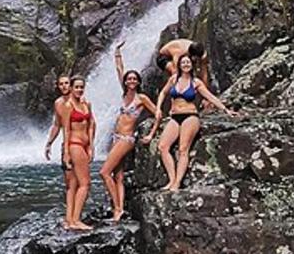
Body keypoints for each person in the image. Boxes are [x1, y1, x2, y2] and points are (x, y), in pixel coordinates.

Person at [143, 52, 237, 191]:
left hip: (190, 116)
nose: (186, 64)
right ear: (179, 65)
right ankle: (171, 179)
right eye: (183, 63)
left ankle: (177, 183)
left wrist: (226, 110)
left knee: (183, 149)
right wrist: (158, 108)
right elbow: (163, 92)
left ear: (192, 65)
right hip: (175, 116)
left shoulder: (196, 82)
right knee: (163, 147)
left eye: (188, 62)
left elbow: (210, 97)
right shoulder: (174, 79)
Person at [99, 43, 157, 223]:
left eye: (134, 79)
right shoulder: (124, 95)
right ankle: (121, 209)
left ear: (138, 82)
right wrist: (117, 53)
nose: (131, 81)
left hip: (126, 139)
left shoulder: (142, 98)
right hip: (116, 138)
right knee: (118, 175)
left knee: (104, 172)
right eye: (128, 79)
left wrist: (151, 134)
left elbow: (158, 113)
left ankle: (117, 209)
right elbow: (119, 70)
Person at [61, 76, 96, 231]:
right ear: (72, 88)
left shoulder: (86, 103)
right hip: (74, 144)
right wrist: (66, 153)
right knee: (85, 183)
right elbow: (66, 130)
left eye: (81, 87)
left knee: (76, 184)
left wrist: (91, 145)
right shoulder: (67, 106)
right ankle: (76, 220)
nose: (79, 90)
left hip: (84, 144)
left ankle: (70, 219)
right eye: (76, 87)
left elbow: (91, 124)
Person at [44, 75, 75, 227]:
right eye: (61, 84)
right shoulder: (58, 103)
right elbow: (57, 125)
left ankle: (76, 217)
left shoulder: (79, 100)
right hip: (66, 146)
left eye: (66, 83)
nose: (64, 86)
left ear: (71, 85)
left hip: (79, 145)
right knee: (69, 183)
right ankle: (69, 218)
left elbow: (90, 124)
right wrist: (49, 143)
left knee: (82, 182)